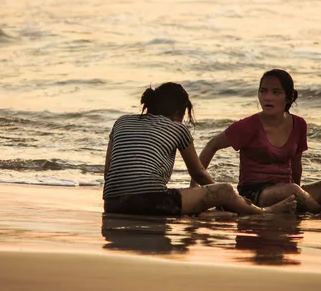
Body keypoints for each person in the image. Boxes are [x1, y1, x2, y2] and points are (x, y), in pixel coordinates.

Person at [103, 82, 297, 217]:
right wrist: (225, 197)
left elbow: (107, 173)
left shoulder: (122, 122)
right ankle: (264, 212)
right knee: (225, 189)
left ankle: (207, 215)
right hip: (151, 203)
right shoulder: (178, 128)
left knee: (190, 200)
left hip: (112, 204)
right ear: (179, 112)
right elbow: (198, 172)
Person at [196, 69, 321, 217]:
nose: (268, 97)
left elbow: (296, 165)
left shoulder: (299, 124)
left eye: (276, 92)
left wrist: (300, 196)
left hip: (288, 189)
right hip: (255, 194)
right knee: (293, 191)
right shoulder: (248, 126)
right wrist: (200, 189)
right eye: (263, 91)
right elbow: (212, 145)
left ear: (288, 97)